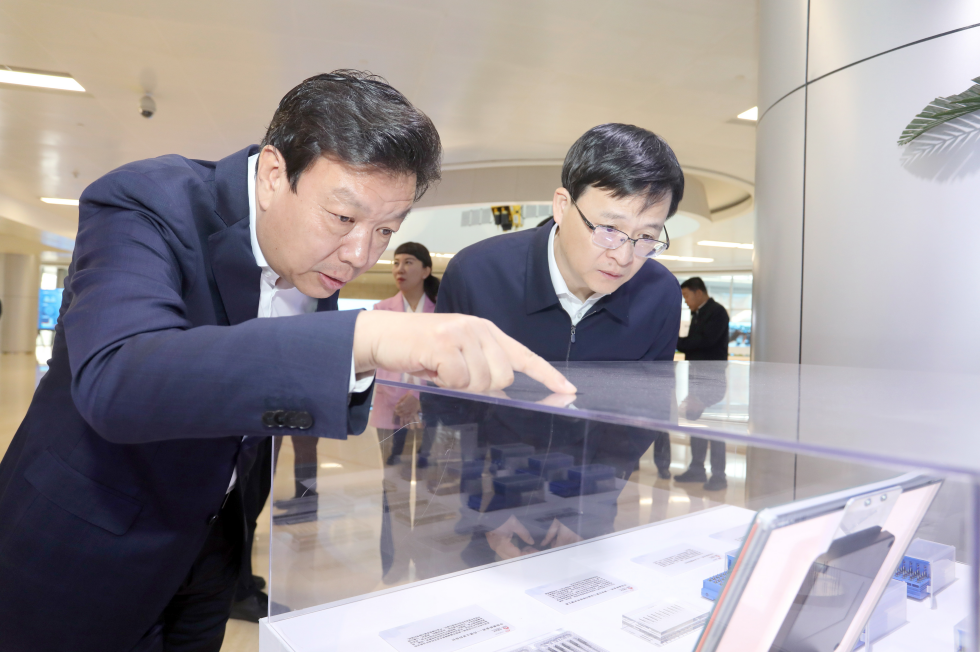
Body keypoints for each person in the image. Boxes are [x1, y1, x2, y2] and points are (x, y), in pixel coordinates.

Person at [0, 70, 573, 652]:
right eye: (344, 218)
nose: (359, 254)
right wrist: (362, 338)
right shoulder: (146, 201)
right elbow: (118, 376)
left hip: (212, 548)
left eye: (385, 230)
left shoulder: (311, 256)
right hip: (83, 548)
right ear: (275, 175)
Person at [431, 123, 683, 563]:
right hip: (488, 506)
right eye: (609, 228)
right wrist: (489, 507)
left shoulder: (658, 295)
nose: (624, 256)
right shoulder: (479, 273)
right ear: (563, 205)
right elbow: (450, 409)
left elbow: (636, 422)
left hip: (587, 512)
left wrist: (582, 512)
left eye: (646, 237)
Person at [371, 242, 439, 466]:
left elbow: (443, 363)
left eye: (408, 262)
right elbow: (379, 360)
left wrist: (418, 398)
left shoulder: (440, 311)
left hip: (427, 407)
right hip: (390, 406)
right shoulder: (381, 310)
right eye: (396, 263)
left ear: (426, 271)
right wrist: (402, 402)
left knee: (421, 473)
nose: (400, 269)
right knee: (390, 474)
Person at [674, 276, 731, 490]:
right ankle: (697, 469)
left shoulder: (717, 312)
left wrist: (676, 341)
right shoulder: (697, 313)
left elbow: (704, 342)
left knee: (714, 428)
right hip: (697, 379)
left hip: (712, 379)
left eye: (686, 296)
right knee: (696, 424)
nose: (686, 301)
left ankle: (719, 475)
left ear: (698, 292)